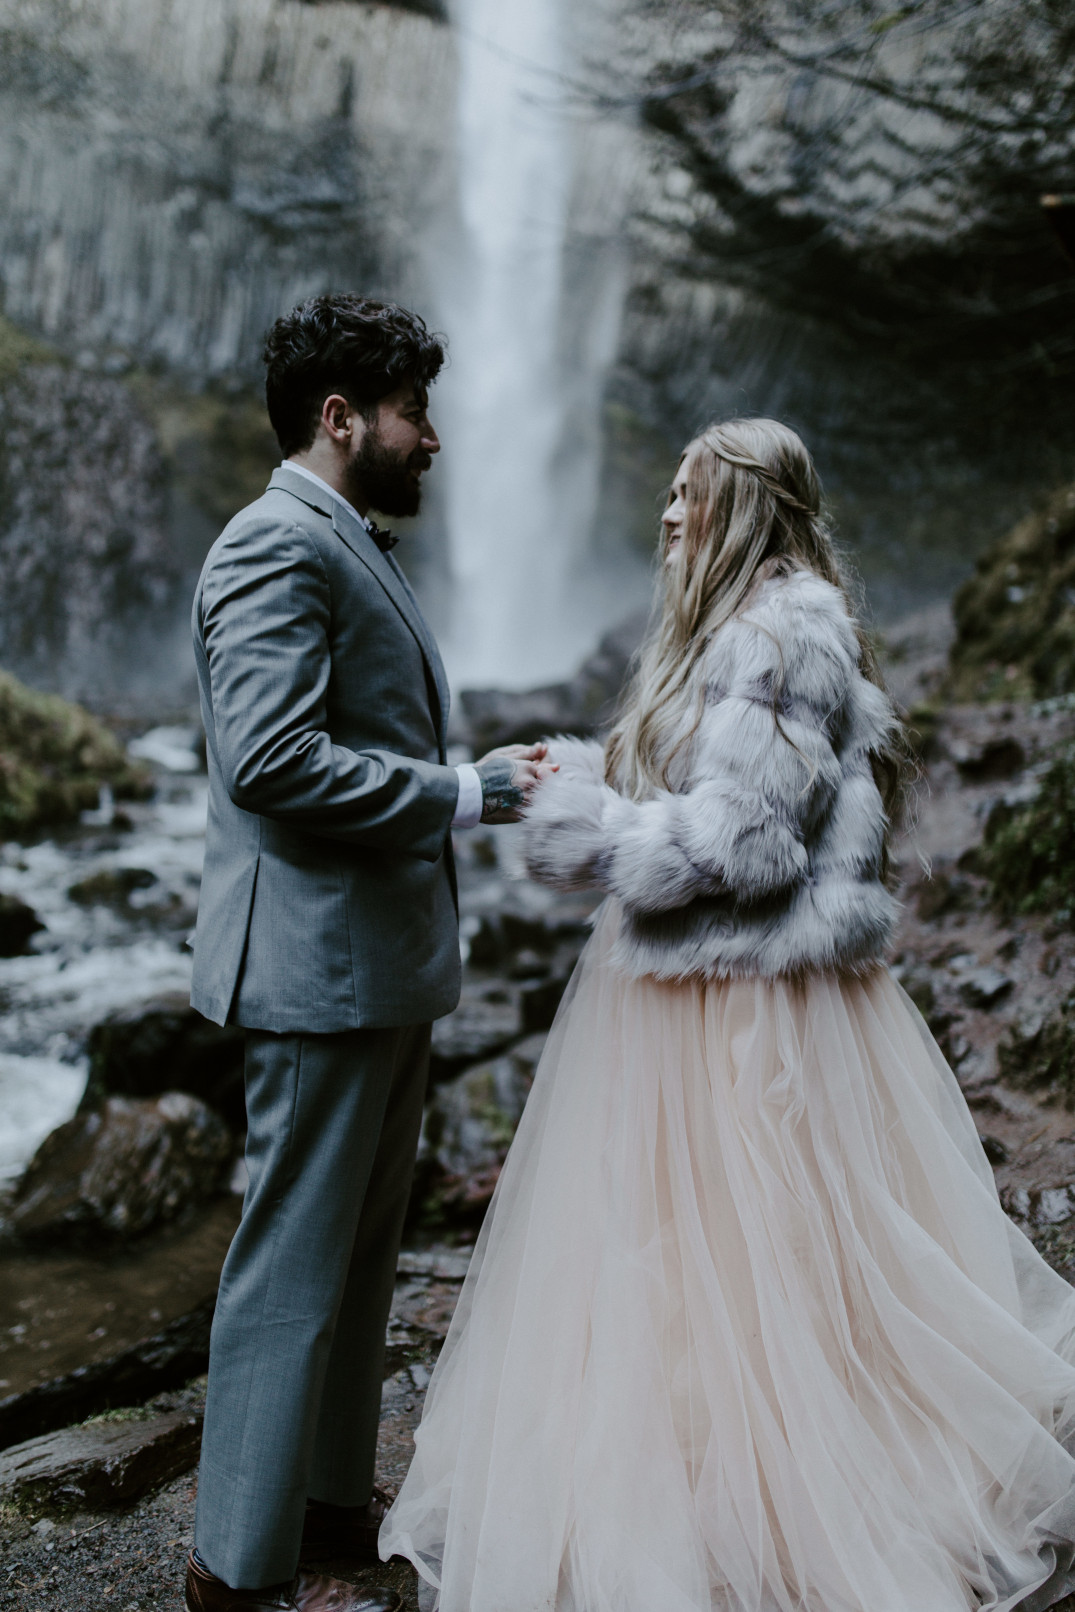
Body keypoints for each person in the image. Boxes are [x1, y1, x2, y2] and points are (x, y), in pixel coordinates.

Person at [381, 417, 1075, 1612]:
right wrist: (580, 775)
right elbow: (706, 793)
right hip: (698, 983)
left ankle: (790, 1505)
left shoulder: (780, 632)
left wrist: (577, 830)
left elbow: (736, 844)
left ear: (744, 507)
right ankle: (713, 1480)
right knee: (694, 1263)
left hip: (744, 996)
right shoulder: (737, 624)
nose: (663, 512)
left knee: (761, 1254)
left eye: (684, 492)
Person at [183, 293, 555, 1612]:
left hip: (374, 968)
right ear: (342, 420)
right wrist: (462, 793)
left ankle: (331, 1508)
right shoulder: (271, 547)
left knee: (355, 1257)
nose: (436, 440)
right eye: (416, 414)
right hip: (316, 974)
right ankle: (232, 1565)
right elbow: (271, 762)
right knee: (288, 1268)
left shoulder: (342, 539)